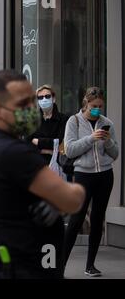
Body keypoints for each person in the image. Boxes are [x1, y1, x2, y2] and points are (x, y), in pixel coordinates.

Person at [0, 70, 85, 279]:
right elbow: (73, 199)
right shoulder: (14, 152)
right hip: (24, 266)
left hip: (11, 262)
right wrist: (66, 195)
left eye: (31, 101)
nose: (30, 108)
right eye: (22, 104)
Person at [62, 87, 119, 277]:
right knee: (76, 219)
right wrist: (91, 139)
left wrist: (108, 141)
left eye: (101, 106)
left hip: (105, 175)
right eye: (94, 106)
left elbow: (115, 154)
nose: (98, 110)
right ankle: (59, 266)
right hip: (83, 175)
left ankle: (90, 265)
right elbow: (70, 150)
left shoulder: (107, 123)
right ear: (86, 104)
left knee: (97, 219)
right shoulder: (74, 121)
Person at [30, 85, 69, 166]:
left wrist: (38, 141)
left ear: (53, 99)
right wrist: (48, 151)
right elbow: (27, 143)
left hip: (57, 166)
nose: (44, 99)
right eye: (40, 97)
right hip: (36, 164)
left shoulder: (63, 119)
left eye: (47, 96)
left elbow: (62, 143)